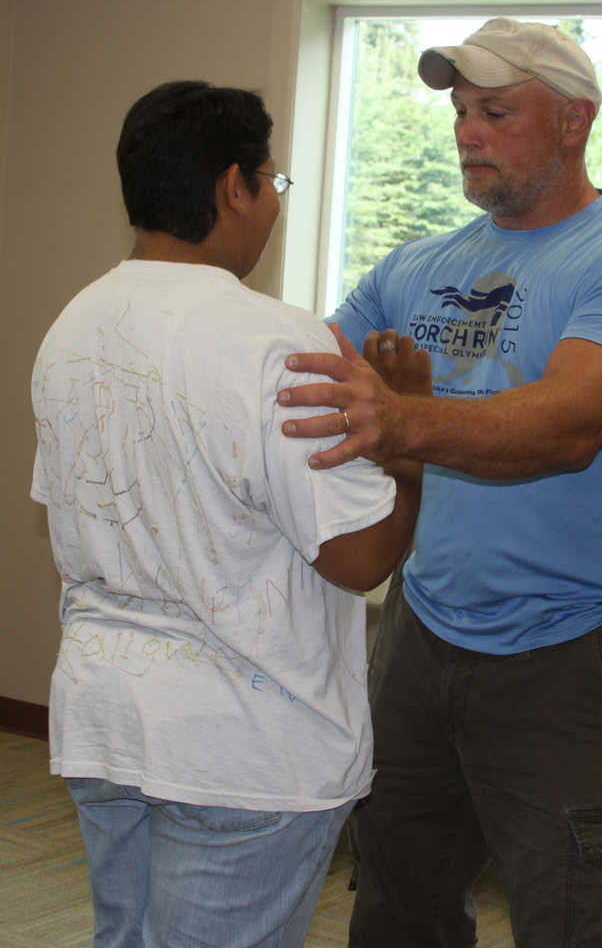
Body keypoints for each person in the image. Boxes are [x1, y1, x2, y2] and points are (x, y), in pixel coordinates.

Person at [276, 19, 602, 947]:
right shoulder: (418, 266)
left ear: (572, 122)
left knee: (575, 921)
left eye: (496, 113)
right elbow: (302, 371)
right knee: (397, 902)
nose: (467, 133)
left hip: (566, 649)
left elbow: (565, 426)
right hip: (421, 633)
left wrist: (405, 419)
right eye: (462, 112)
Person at [30, 80, 427, 948]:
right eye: (272, 182)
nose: (274, 205)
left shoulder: (73, 324)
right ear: (232, 189)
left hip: (106, 718)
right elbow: (359, 559)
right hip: (245, 749)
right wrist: (408, 442)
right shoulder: (275, 339)